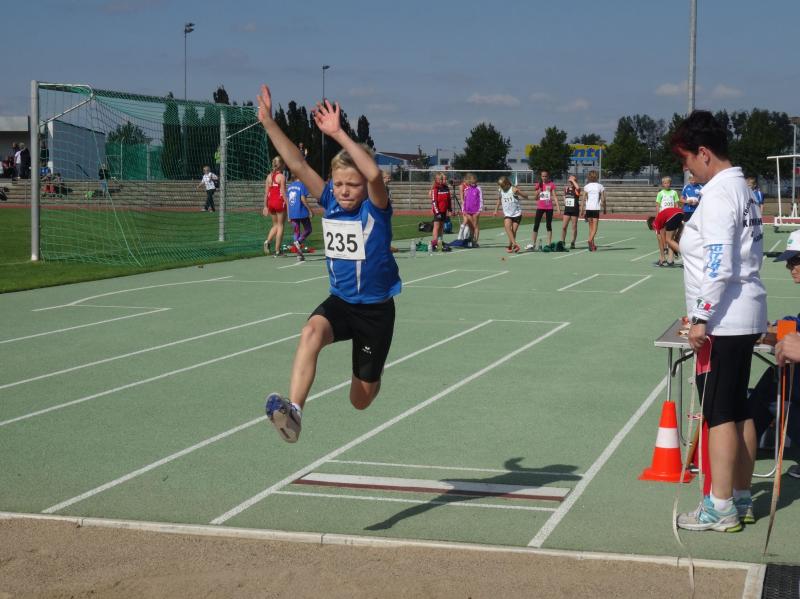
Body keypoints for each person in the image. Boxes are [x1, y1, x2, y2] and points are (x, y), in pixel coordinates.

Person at [257, 84, 400, 444]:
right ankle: (294, 413)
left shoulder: (376, 209)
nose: (344, 190)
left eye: (352, 184)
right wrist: (269, 123)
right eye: (339, 184)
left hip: (375, 312)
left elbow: (374, 176)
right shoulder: (329, 200)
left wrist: (338, 133)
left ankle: (373, 374)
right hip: (341, 302)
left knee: (360, 401)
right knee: (310, 332)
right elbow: (297, 164)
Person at [672, 110, 767, 533]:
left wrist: (700, 317)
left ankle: (720, 505)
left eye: (686, 159)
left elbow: (718, 263)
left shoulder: (717, 195)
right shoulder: (741, 188)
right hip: (743, 312)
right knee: (738, 410)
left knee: (719, 414)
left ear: (704, 153)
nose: (686, 168)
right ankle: (740, 497)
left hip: (724, 319)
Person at [493, 175, 528, 253]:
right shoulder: (500, 190)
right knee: (507, 228)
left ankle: (510, 246)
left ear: (507, 183)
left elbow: (526, 196)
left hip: (517, 214)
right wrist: (495, 210)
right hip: (507, 214)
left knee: (513, 232)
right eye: (500, 186)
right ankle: (515, 245)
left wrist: (519, 192)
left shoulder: (513, 190)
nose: (502, 187)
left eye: (503, 186)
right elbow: (499, 200)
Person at [286, 172, 315, 262]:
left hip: (293, 213)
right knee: (308, 229)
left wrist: (288, 215)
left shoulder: (289, 187)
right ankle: (298, 242)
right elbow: (303, 199)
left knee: (296, 232)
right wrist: (310, 210)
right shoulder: (302, 185)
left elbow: (288, 202)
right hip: (301, 212)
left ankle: (299, 255)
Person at [263, 156, 288, 255]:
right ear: (281, 165)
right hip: (279, 202)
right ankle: (277, 250)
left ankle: (267, 241)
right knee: (281, 225)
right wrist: (288, 204)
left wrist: (265, 206)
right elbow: (283, 192)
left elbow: (266, 193)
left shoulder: (268, 177)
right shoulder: (281, 177)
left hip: (271, 203)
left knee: (275, 225)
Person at [530, 170, 560, 251]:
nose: (544, 178)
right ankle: (533, 244)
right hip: (540, 207)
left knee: (548, 225)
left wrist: (558, 208)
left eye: (545, 176)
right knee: (536, 225)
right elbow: (535, 198)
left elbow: (554, 196)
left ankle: (549, 244)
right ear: (541, 176)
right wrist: (538, 192)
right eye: (543, 176)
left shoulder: (551, 184)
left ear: (548, 176)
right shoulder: (538, 185)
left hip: (549, 207)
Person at [580, 170, 605, 252]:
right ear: (597, 177)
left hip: (588, 209)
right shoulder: (600, 186)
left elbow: (583, 199)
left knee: (590, 228)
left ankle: (592, 245)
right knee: (595, 228)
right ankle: (590, 240)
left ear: (589, 177)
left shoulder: (586, 186)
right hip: (596, 208)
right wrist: (604, 208)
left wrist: (581, 209)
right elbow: (603, 199)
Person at [429, 172, 452, 251]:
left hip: (444, 211)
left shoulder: (446, 188)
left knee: (441, 227)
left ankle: (440, 243)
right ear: (436, 180)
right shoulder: (435, 188)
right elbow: (434, 201)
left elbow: (449, 199)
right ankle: (434, 243)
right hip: (438, 211)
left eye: (442, 179)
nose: (441, 181)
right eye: (440, 179)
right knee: (436, 227)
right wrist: (437, 212)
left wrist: (450, 209)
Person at [460, 173, 483, 247]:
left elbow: (481, 199)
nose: (473, 182)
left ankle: (475, 241)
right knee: (470, 227)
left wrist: (479, 210)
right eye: (471, 181)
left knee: (475, 226)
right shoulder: (467, 189)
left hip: (475, 211)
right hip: (468, 211)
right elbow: (465, 200)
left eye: (474, 181)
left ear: (476, 181)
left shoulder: (478, 189)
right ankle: (472, 240)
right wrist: (463, 210)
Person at [560, 175, 581, 250]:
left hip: (574, 210)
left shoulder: (576, 189)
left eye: (573, 181)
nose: (571, 182)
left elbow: (578, 188)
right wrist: (564, 200)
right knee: (564, 227)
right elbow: (564, 196)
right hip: (567, 210)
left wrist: (573, 180)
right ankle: (562, 241)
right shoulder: (566, 189)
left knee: (574, 226)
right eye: (570, 181)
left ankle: (573, 242)